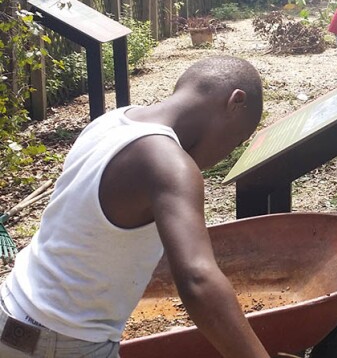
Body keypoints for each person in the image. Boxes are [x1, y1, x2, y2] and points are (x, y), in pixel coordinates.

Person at [0, 56, 270, 358]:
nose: (225, 154)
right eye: (236, 141)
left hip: (11, 309)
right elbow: (198, 280)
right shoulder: (170, 165)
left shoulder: (110, 122)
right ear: (236, 102)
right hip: (64, 342)